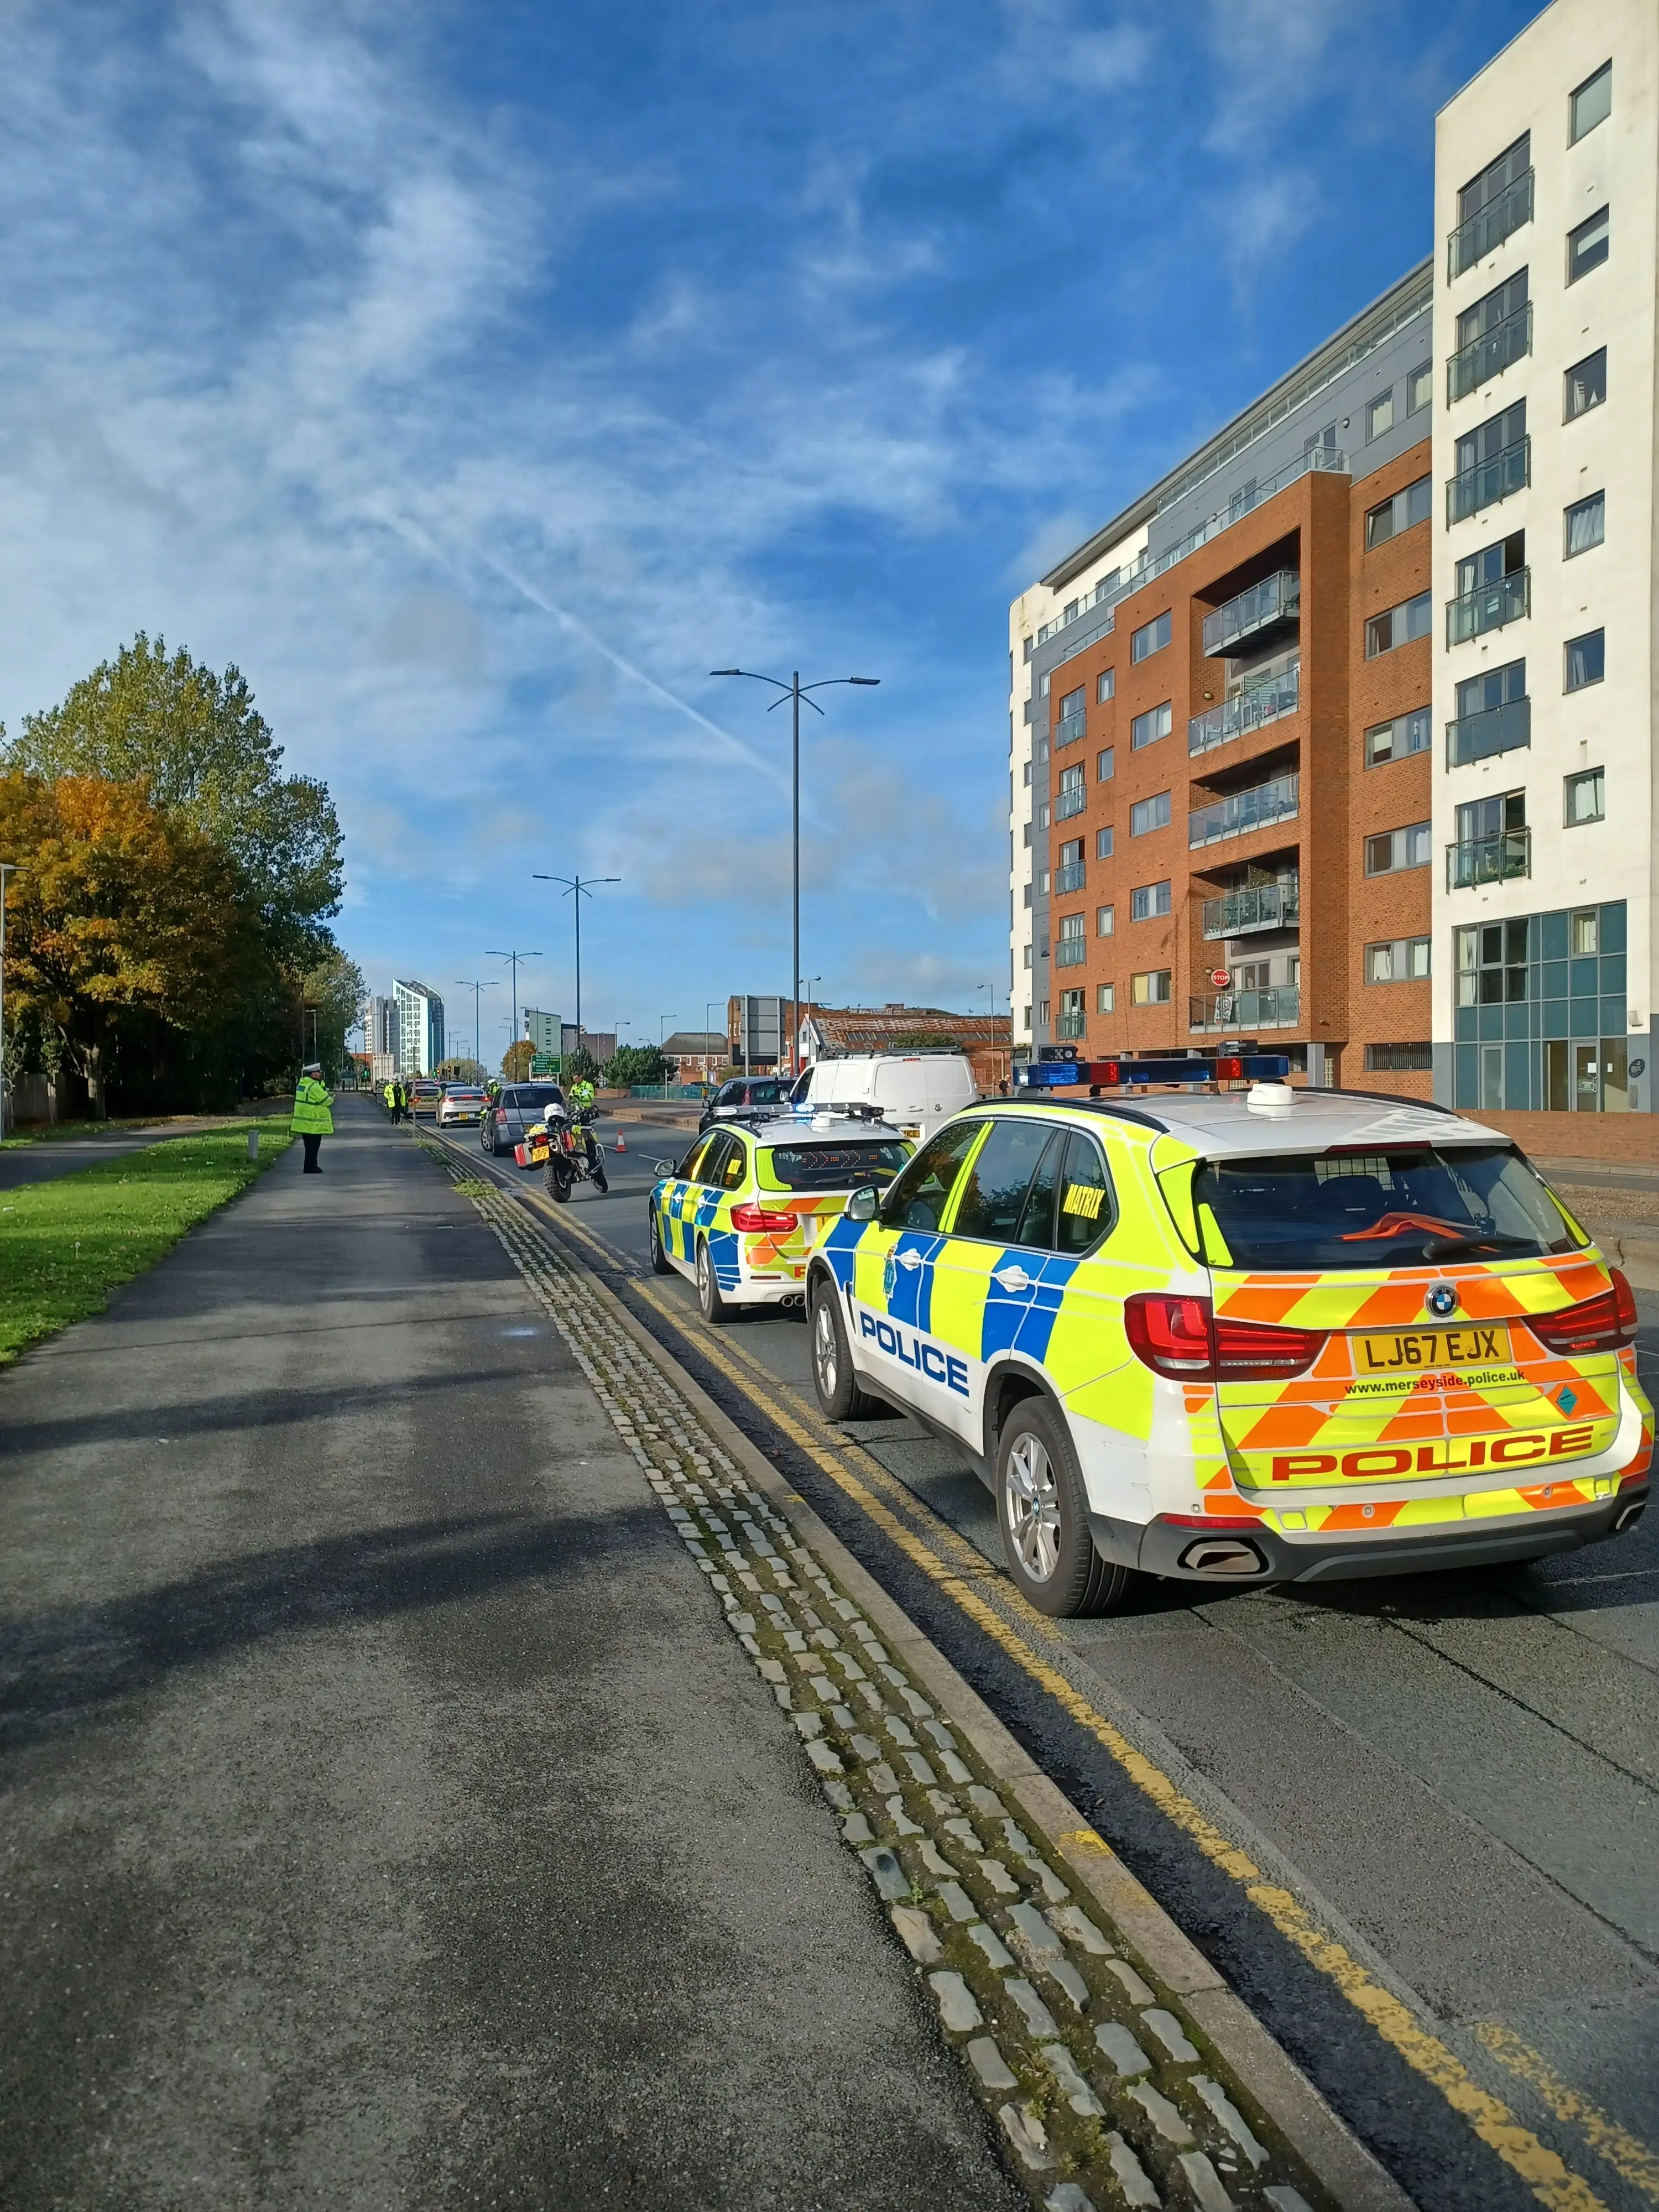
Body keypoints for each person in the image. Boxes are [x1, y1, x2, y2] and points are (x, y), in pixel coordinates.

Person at [293, 1062, 334, 1172]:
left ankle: (309, 1167)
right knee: (314, 1146)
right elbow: (328, 1101)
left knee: (308, 1147)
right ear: (313, 1074)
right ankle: (311, 1167)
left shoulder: (302, 1085)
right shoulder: (314, 1087)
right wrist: (323, 1088)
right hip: (313, 1123)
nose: (320, 1074)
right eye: (318, 1072)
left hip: (303, 1122)